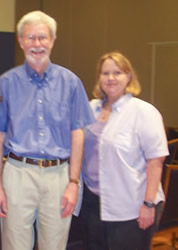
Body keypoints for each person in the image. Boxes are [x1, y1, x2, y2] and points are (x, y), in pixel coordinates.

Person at [0, 10, 95, 250]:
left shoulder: (71, 82)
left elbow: (77, 133)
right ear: (20, 41)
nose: (37, 44)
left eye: (42, 37)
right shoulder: (5, 84)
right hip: (17, 174)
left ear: (52, 40)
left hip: (58, 176)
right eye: (30, 38)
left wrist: (73, 183)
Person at [80, 51, 169, 250]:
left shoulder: (144, 112)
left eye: (117, 73)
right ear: (99, 78)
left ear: (129, 77)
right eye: (105, 73)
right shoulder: (90, 108)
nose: (111, 78)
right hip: (93, 203)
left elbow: (156, 161)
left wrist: (148, 204)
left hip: (132, 205)